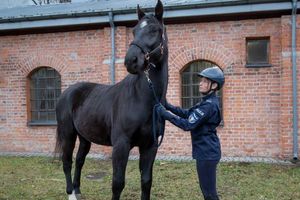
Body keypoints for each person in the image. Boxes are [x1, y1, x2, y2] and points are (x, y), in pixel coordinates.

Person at [157, 66, 225, 200]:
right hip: (206, 152)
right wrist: (168, 106)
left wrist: (165, 115)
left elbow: (187, 124)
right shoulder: (207, 102)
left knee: (209, 193)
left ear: (214, 85)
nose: (200, 83)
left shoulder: (208, 106)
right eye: (202, 80)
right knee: (207, 191)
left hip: (207, 154)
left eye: (205, 81)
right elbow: (188, 114)